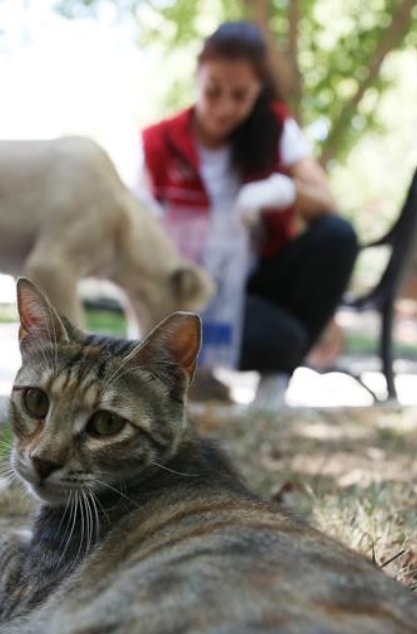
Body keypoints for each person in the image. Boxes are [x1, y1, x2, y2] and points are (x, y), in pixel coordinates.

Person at [137, 20, 359, 407]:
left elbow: (328, 204)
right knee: (285, 338)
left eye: (240, 95)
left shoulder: (274, 129)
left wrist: (284, 190)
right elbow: (135, 238)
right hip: (189, 295)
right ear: (197, 77)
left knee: (337, 235)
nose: (224, 107)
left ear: (258, 90)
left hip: (253, 287)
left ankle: (276, 380)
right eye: (213, 90)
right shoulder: (159, 143)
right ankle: (202, 373)